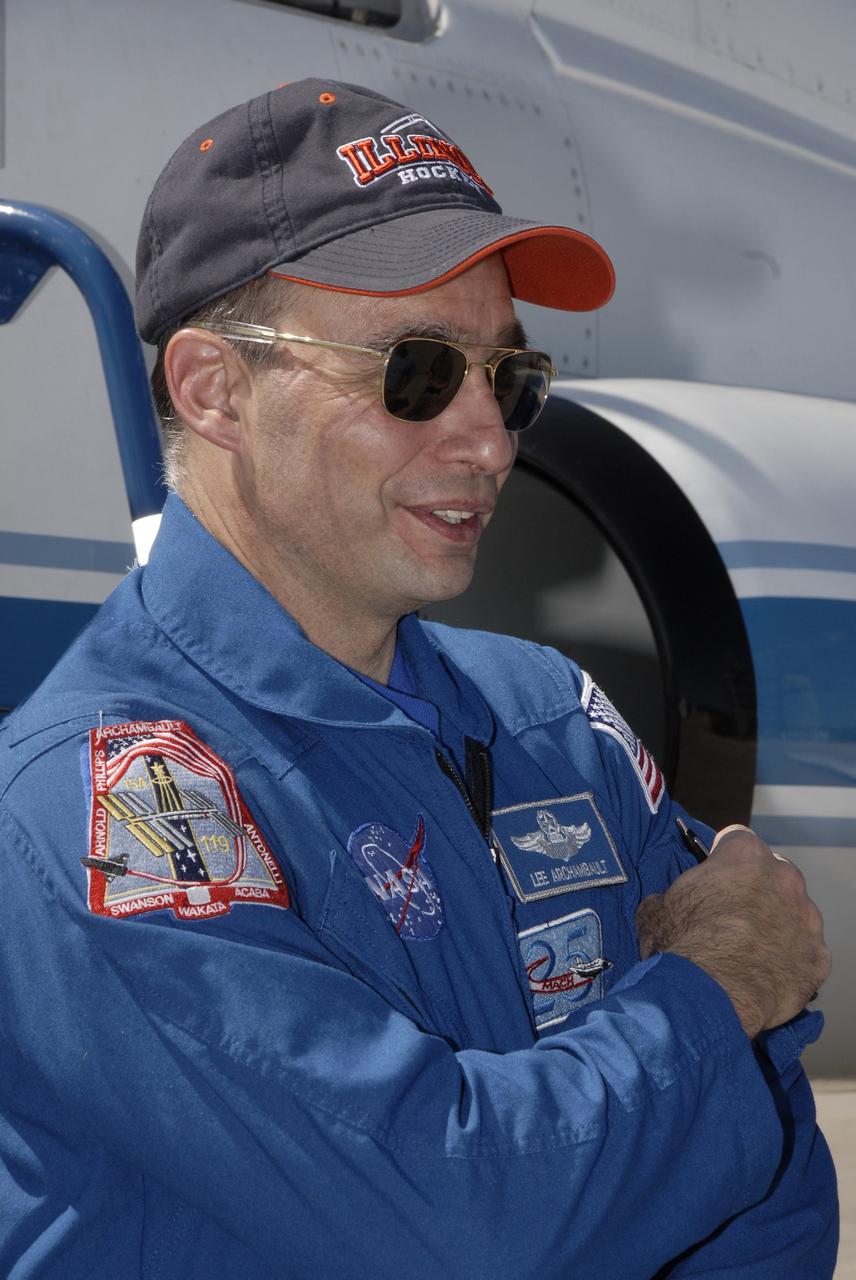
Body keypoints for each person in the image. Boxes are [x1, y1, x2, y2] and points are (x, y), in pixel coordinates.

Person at [0, 78, 836, 1279]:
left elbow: (764, 1175)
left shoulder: (557, 721)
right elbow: (452, 1214)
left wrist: (698, 1037)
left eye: (510, 376)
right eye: (415, 371)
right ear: (212, 390)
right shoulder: (107, 800)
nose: (490, 436)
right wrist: (703, 992)